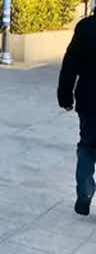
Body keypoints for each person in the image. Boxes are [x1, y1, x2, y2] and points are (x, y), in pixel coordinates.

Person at [58, 13, 96, 216]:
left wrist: (64, 96)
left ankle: (85, 190)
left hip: (89, 99)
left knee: (87, 145)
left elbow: (70, 63)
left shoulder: (86, 27)